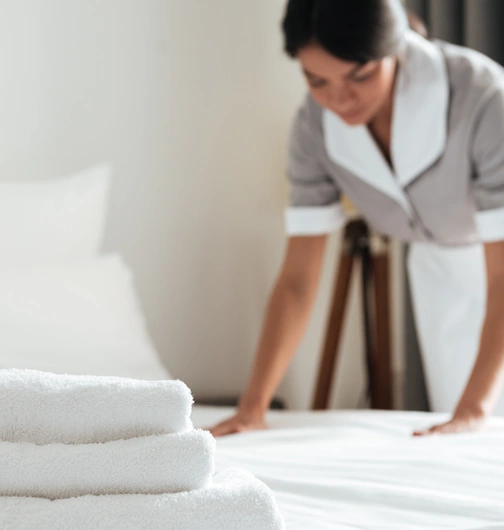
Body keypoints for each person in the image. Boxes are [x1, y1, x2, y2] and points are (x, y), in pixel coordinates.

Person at [209, 0, 504, 437]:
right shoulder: (313, 130)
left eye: (359, 76)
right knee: (468, 455)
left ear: (396, 48)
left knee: (476, 422)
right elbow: (297, 281)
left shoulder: (482, 99)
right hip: (438, 273)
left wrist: (474, 407)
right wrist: (253, 407)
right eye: (317, 80)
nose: (338, 99)